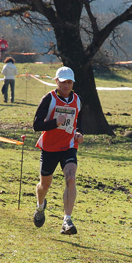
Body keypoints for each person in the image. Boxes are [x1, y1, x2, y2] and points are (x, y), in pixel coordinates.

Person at [33, 66, 84, 235]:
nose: (66, 86)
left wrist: (78, 134)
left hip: (69, 147)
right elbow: (36, 125)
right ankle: (40, 206)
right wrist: (55, 122)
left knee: (71, 179)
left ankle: (67, 221)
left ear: (73, 83)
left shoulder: (77, 100)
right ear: (56, 82)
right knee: (44, 185)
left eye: (69, 82)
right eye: (63, 82)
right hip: (49, 148)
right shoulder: (49, 99)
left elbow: (79, 123)